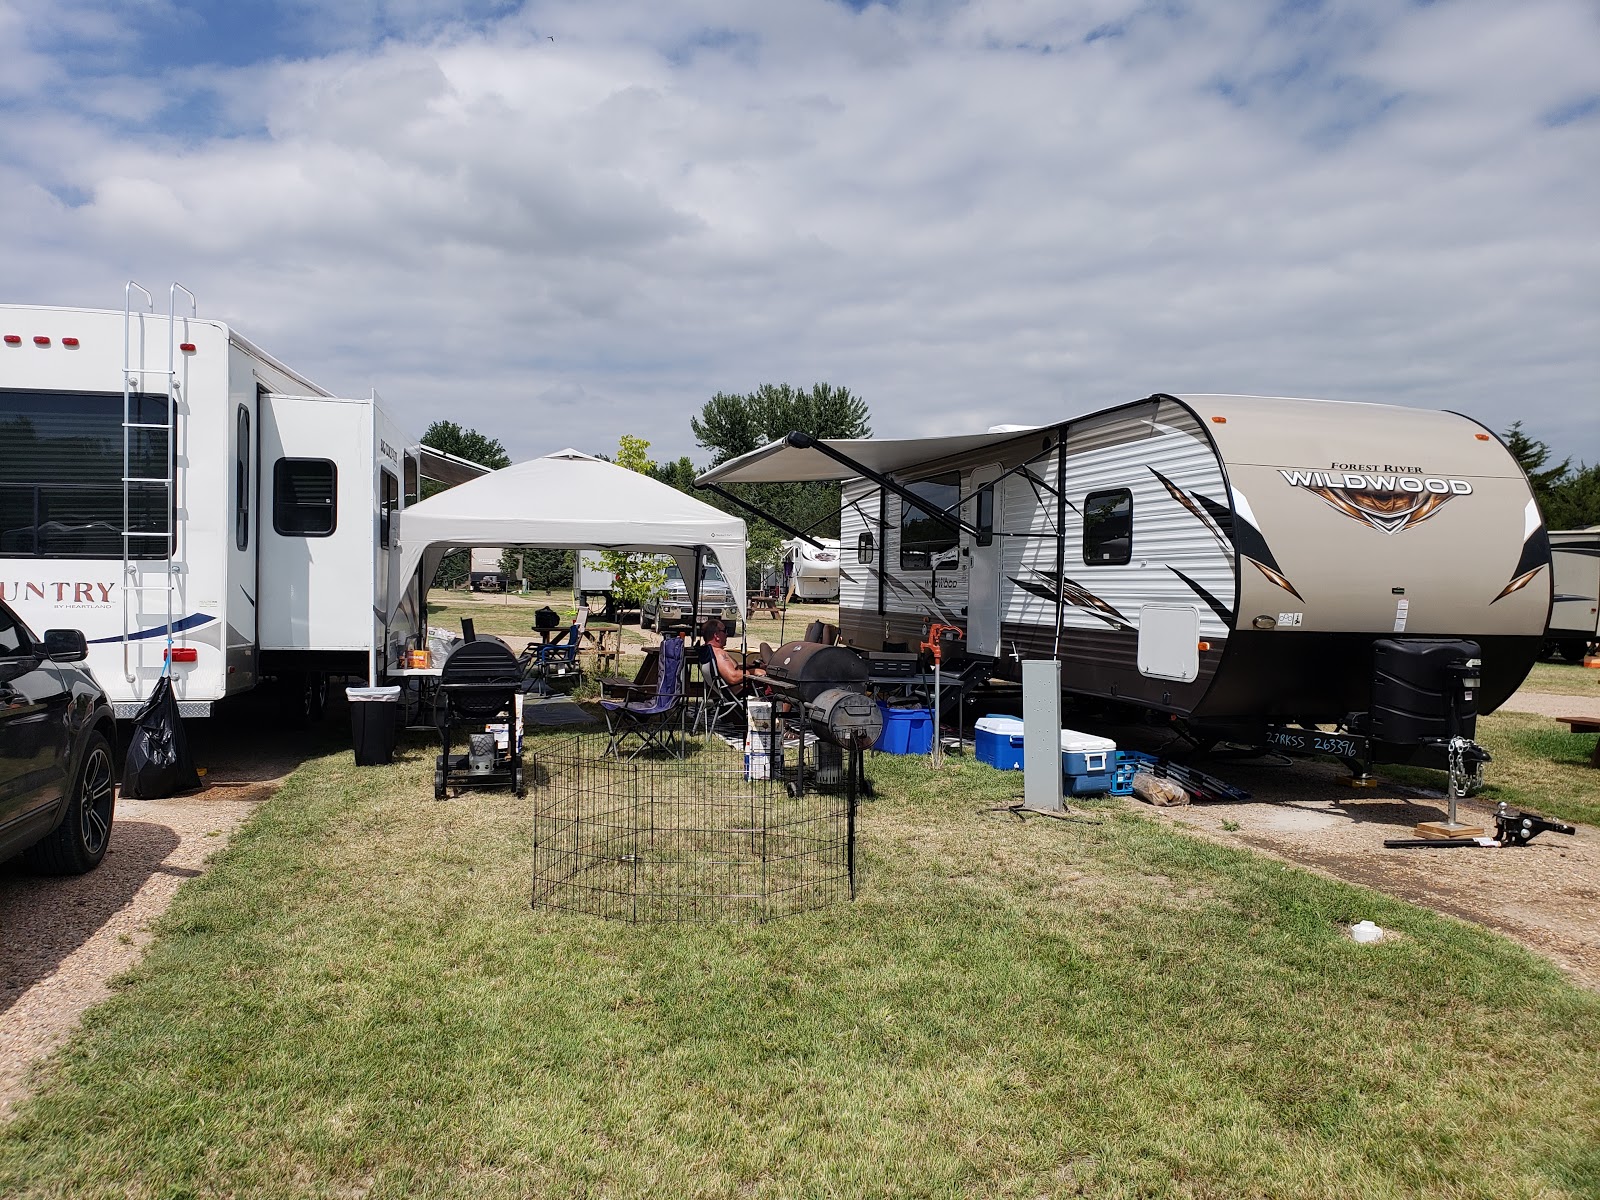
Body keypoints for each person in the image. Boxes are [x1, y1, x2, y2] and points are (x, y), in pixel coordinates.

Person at [701, 617, 764, 691]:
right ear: (716, 636)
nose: (727, 634)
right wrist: (753, 672)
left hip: (732, 691)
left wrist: (747, 667)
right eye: (724, 631)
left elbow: (728, 669)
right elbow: (733, 677)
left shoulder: (708, 652)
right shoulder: (719, 654)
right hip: (741, 692)